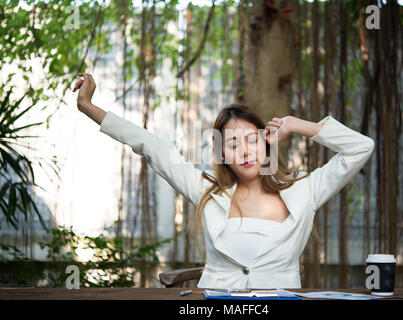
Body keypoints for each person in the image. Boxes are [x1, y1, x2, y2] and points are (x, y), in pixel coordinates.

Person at [73, 72, 375, 289]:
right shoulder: (207, 190)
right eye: (232, 144)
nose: (244, 151)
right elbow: (153, 146)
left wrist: (298, 125)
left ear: (267, 143)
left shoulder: (303, 189)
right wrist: (88, 107)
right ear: (222, 154)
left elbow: (361, 148)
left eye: (251, 140)